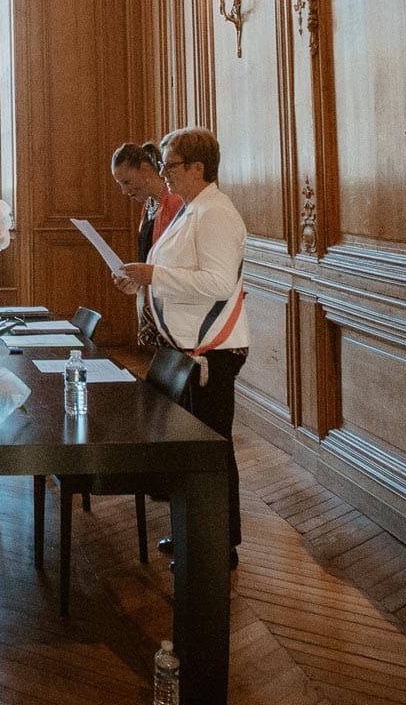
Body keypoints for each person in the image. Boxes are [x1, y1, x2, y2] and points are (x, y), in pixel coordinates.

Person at [114, 125, 249, 567]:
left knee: (210, 449)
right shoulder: (192, 210)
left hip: (212, 351)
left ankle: (217, 546)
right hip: (185, 347)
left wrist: (153, 277)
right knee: (191, 447)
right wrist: (141, 278)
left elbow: (217, 283)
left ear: (197, 167)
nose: (164, 173)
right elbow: (168, 268)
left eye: (170, 166)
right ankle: (197, 533)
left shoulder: (216, 213)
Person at [110, 141, 183, 347]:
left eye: (127, 182)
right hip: (151, 304)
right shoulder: (148, 206)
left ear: (145, 170)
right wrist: (132, 281)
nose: (124, 191)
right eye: (120, 184)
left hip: (172, 310)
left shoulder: (175, 203)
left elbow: (179, 262)